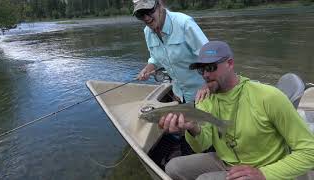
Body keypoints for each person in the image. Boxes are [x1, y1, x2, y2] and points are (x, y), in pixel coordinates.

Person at [159, 41, 314, 180]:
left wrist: (264, 174)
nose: (206, 75)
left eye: (211, 68)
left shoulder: (269, 97)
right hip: (226, 161)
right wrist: (193, 128)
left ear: (230, 64)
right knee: (173, 168)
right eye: (201, 70)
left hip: (265, 166)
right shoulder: (205, 99)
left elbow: (309, 151)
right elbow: (202, 145)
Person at [133, 0, 209, 103]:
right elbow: (155, 58)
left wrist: (207, 85)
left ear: (160, 5)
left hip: (203, 95)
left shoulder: (184, 23)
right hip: (178, 95)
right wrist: (148, 68)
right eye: (140, 14)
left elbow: (210, 55)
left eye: (149, 11)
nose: (146, 18)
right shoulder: (147, 32)